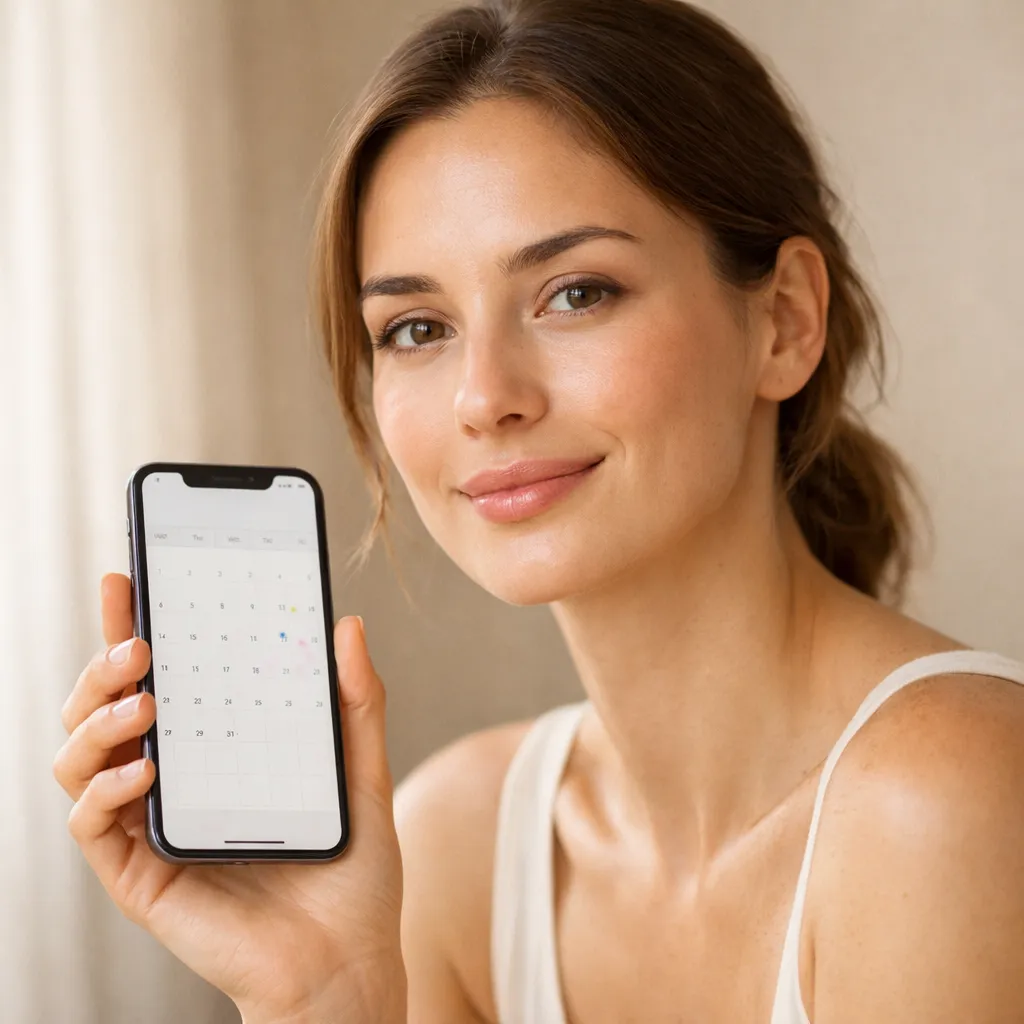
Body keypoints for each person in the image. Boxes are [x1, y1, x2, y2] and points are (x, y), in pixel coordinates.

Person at [52, 0, 1024, 1021]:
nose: (485, 397)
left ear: (783, 321)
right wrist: (321, 995)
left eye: (575, 293)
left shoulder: (948, 797)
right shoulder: (457, 846)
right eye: (417, 328)